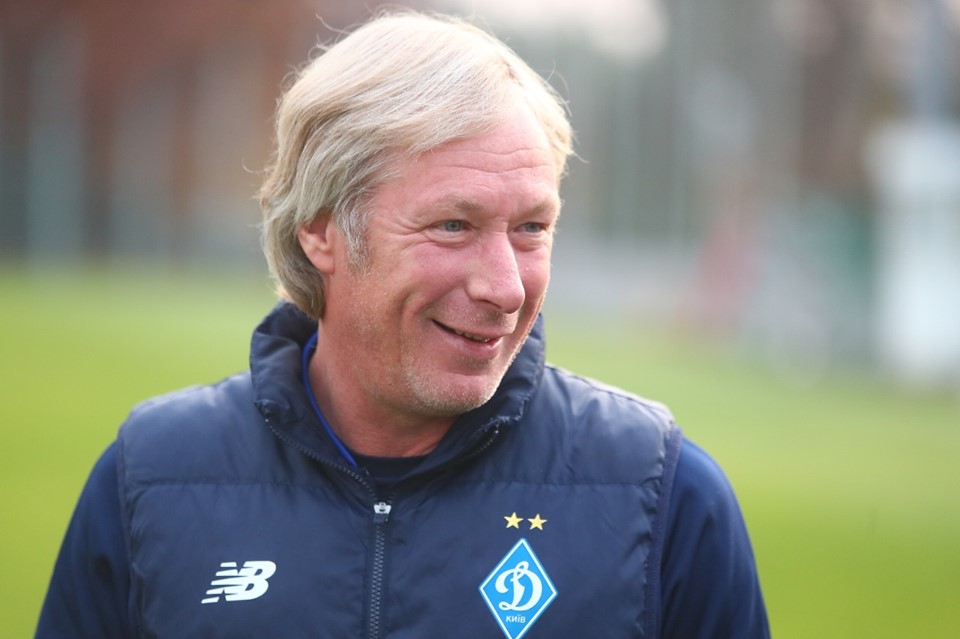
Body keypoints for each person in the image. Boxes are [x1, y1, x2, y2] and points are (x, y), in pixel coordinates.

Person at [37, 10, 769, 639]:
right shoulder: (150, 479)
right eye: (453, 225)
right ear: (320, 229)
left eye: (531, 228)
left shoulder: (663, 497)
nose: (505, 286)